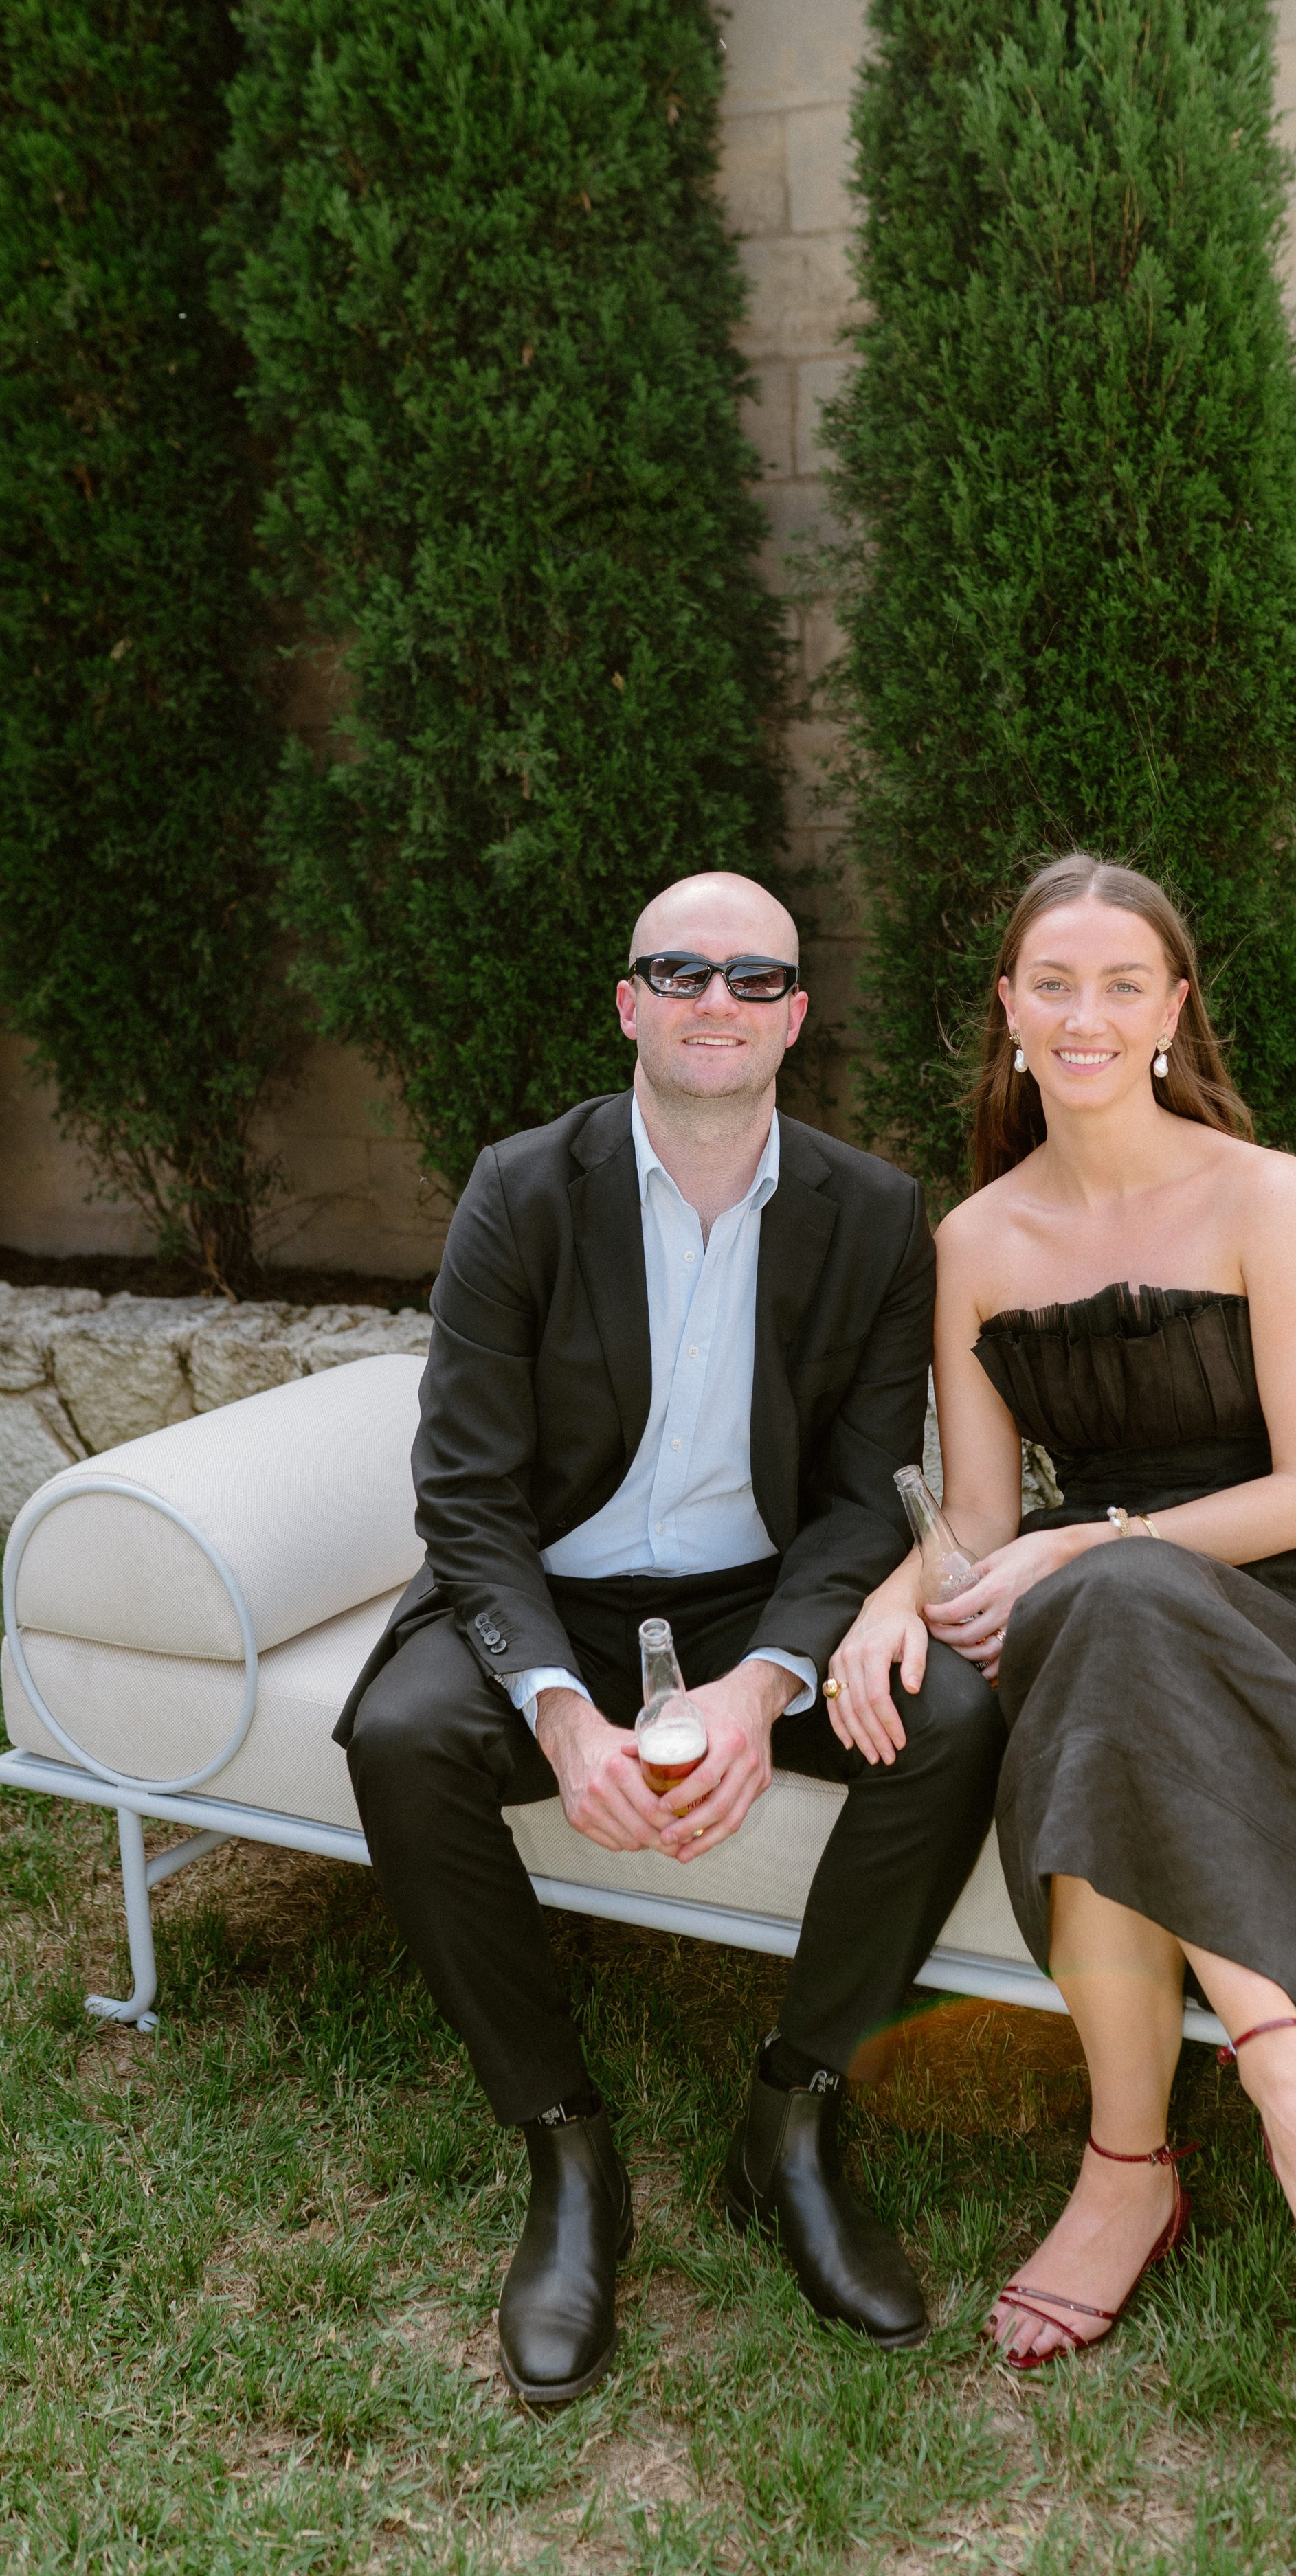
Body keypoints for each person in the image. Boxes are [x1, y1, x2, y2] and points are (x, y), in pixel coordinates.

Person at [337, 871, 1004, 2404]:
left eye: (753, 978)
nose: (718, 1000)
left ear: (794, 1020)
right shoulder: (522, 1186)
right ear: (630, 1003)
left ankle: (792, 2116)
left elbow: (858, 1502)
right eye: (681, 972)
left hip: (752, 1589)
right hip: (551, 1584)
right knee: (403, 1734)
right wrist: (565, 1714)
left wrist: (767, 1680)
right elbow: (463, 1489)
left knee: (952, 1716)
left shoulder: (876, 1212)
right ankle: (566, 2153)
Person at [826, 855, 1296, 2369]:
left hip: (1295, 1580)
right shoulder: (974, 1242)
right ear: (1008, 1012)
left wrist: (1089, 1543)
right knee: (1103, 1621)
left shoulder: (1265, 1194)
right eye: (1053, 983)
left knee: (1104, 1604)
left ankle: (1162, 2147)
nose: (1085, 1014)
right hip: (1098, 1593)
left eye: (1122, 984)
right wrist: (869, 1613)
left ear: (1172, 1010)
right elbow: (979, 1519)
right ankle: (1262, 2087)